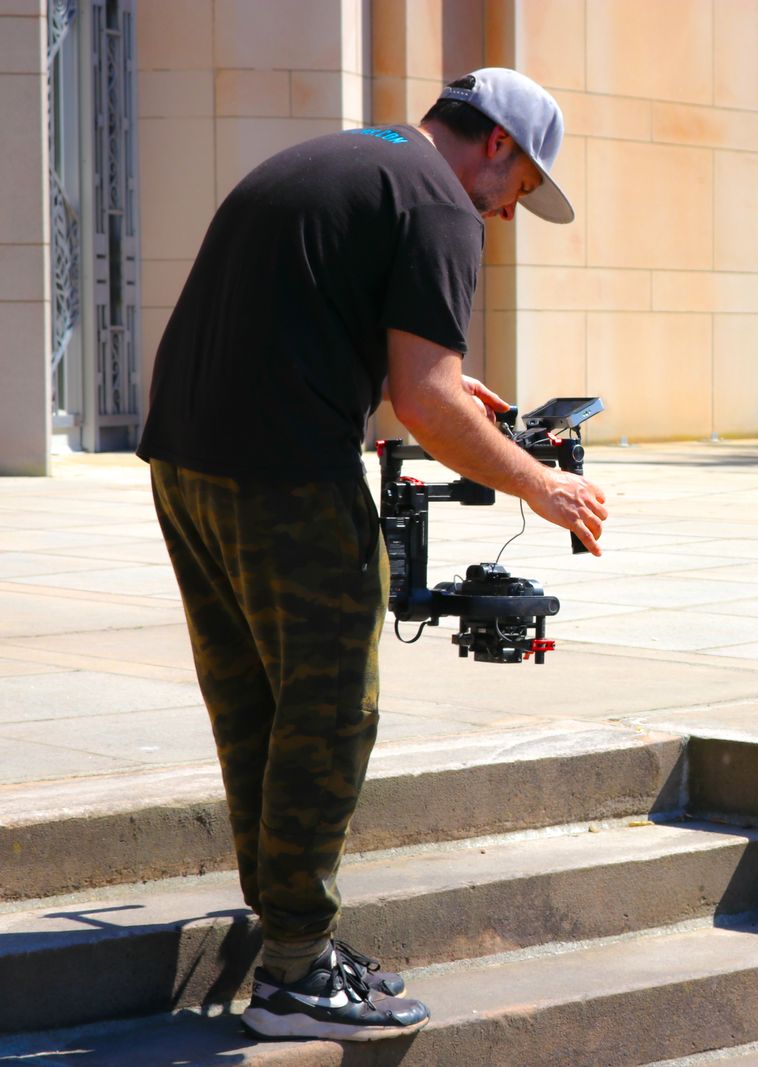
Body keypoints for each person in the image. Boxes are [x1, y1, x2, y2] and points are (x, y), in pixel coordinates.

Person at [136, 68, 606, 1042]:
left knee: (255, 703)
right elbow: (424, 403)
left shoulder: (346, 159)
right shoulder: (441, 205)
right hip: (284, 473)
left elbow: (348, 338)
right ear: (499, 145)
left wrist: (442, 385)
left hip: (184, 460)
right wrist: (541, 484)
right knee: (331, 706)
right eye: (519, 190)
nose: (506, 214)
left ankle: (289, 934)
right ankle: (296, 973)